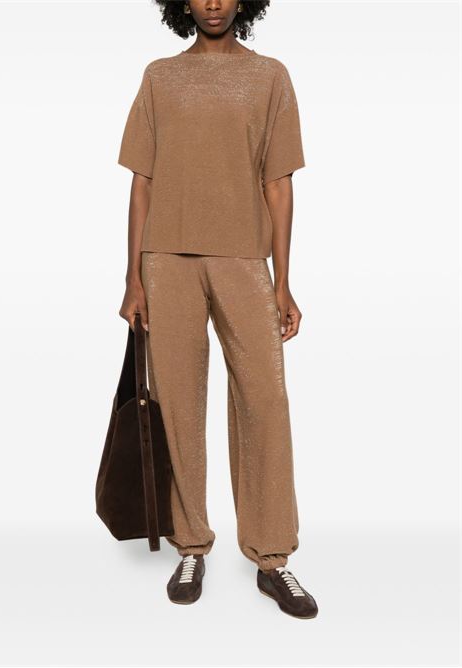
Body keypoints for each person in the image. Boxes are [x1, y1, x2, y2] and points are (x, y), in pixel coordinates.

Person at [117, 0, 318, 620]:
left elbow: (279, 184)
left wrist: (282, 281)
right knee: (177, 403)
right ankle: (191, 545)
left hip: (243, 259)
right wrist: (132, 277)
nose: (212, 2)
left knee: (265, 400)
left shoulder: (270, 76)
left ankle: (272, 556)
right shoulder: (160, 76)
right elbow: (142, 181)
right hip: (166, 259)